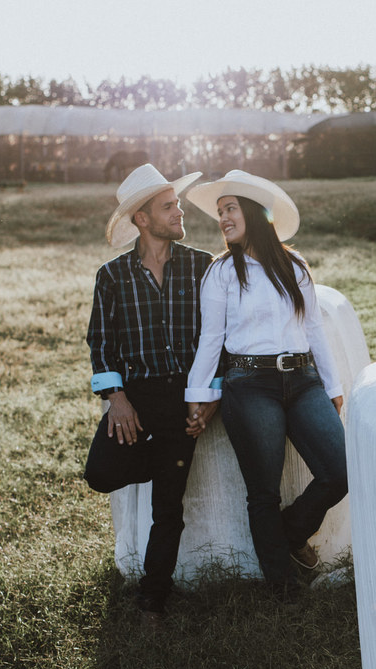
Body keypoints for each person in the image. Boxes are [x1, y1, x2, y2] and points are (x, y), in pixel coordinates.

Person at [183, 170, 348, 595]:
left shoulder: (294, 266)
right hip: (249, 383)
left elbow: (313, 329)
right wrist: (198, 394)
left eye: (230, 208)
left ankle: (290, 534)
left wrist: (332, 387)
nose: (222, 218)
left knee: (342, 469)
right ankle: (283, 587)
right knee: (263, 492)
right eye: (219, 212)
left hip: (303, 379)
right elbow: (211, 339)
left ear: (254, 212)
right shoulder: (221, 273)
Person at [83, 163, 218, 620]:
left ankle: (152, 597)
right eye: (168, 206)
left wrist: (210, 394)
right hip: (135, 398)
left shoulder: (204, 267)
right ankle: (161, 457)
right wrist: (115, 399)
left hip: (184, 396)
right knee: (100, 474)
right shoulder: (113, 276)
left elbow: (219, 336)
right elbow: (100, 341)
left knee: (169, 507)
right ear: (142, 218)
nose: (179, 211)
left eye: (176, 203)